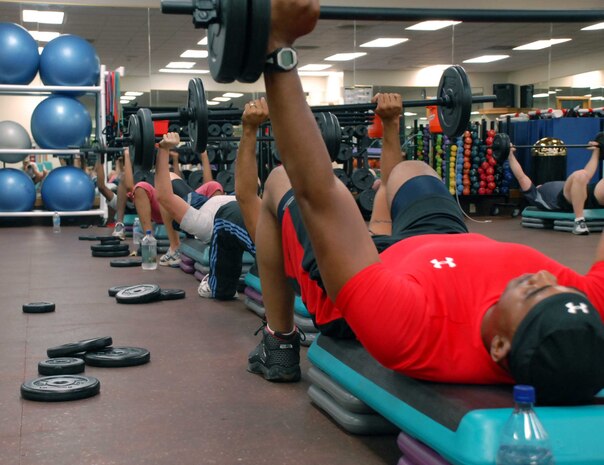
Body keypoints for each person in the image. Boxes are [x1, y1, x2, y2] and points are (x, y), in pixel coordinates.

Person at [245, 0, 604, 406]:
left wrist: (278, 51)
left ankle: (279, 344)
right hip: (443, 243)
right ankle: (394, 134)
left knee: (280, 180)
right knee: (412, 170)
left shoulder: (410, 328)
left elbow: (320, 194)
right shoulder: (582, 316)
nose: (544, 279)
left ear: (500, 347)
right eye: (555, 288)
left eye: (536, 294)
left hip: (383, 272)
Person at [507, 143, 603, 235]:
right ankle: (579, 223)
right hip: (566, 199)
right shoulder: (535, 194)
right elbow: (521, 176)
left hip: (588, 193)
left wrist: (596, 151)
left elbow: (587, 175)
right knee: (581, 175)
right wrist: (510, 155)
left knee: (583, 175)